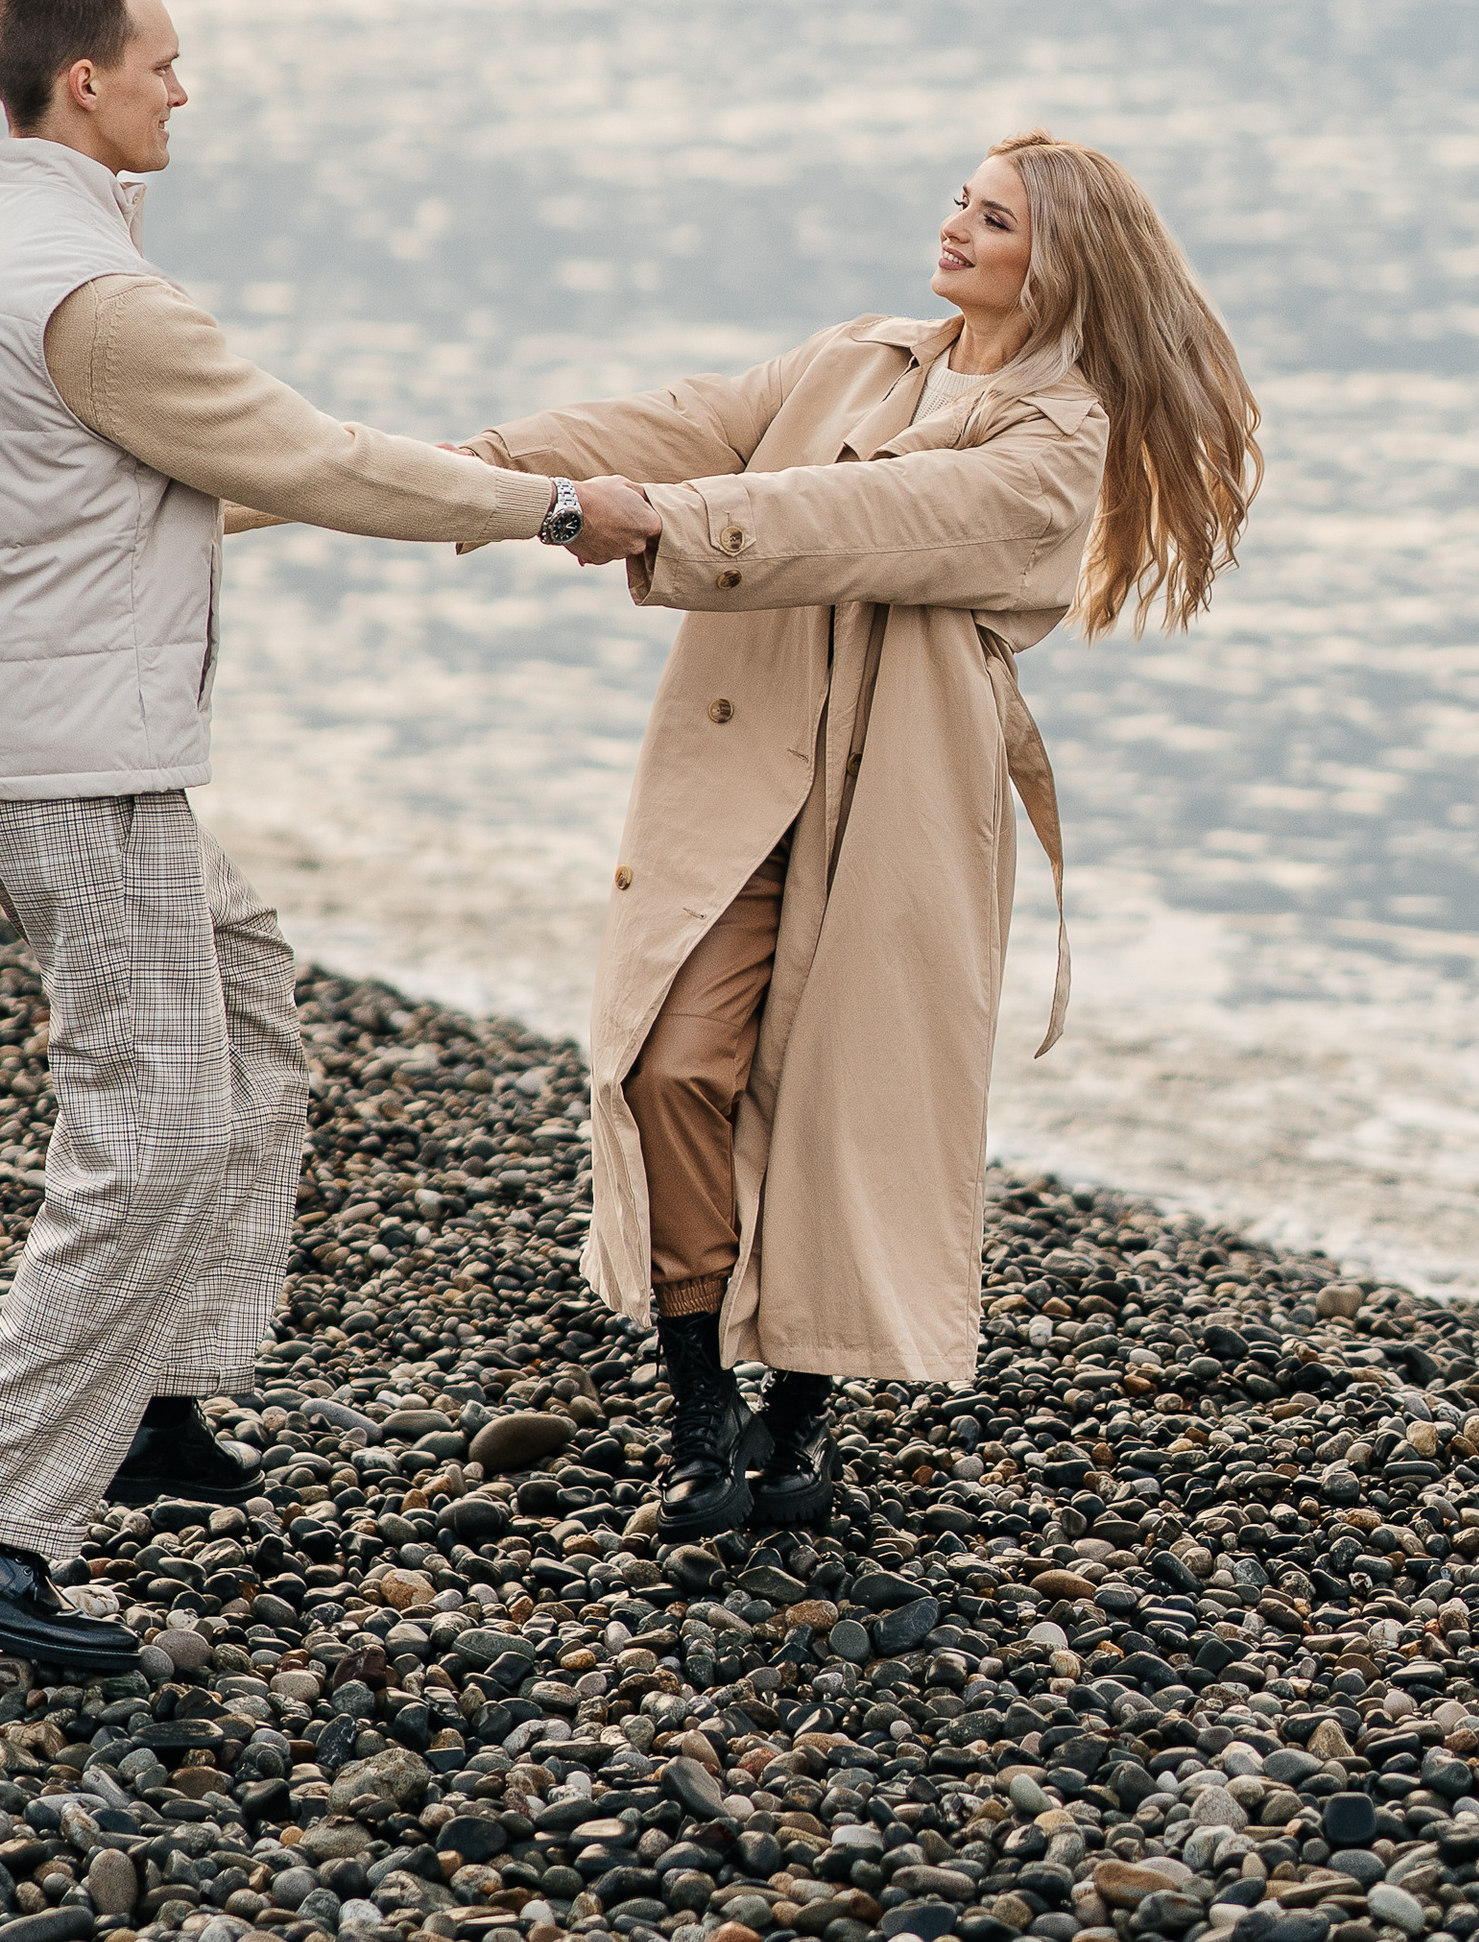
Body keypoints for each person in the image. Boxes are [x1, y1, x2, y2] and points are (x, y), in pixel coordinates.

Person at [0, 0, 643, 1674]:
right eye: (161, 64)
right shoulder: (98, 296)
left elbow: (172, 482)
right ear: (86, 81)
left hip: (0, 715)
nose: (181, 89)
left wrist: (442, 480)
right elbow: (304, 459)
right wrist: (548, 509)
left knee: (248, 1000)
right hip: (76, 752)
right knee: (153, 1127)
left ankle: (144, 1390)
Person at [461, 131, 1259, 1540]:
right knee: (667, 1068)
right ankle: (699, 1411)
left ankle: (797, 1425)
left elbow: (856, 516)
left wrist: (661, 522)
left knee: (849, 1101)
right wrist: (476, 471)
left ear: (1057, 260)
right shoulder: (864, 359)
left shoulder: (1056, 437)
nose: (955, 227)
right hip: (741, 772)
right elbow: (691, 420)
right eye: (961, 200)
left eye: (993, 217)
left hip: (900, 789)